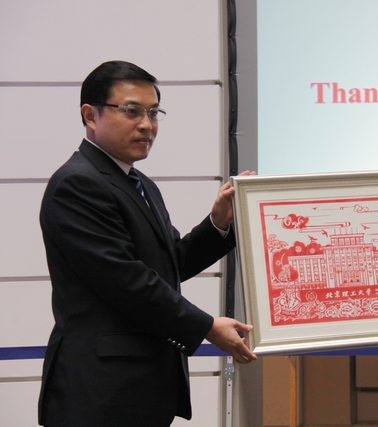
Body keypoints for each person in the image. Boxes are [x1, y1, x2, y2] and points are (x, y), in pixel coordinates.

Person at [38, 60, 257, 427]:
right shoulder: (77, 184)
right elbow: (127, 281)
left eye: (154, 113)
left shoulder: (139, 183)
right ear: (90, 115)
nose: (146, 124)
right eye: (131, 111)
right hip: (99, 394)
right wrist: (206, 326)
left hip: (138, 389)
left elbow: (170, 264)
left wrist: (218, 224)